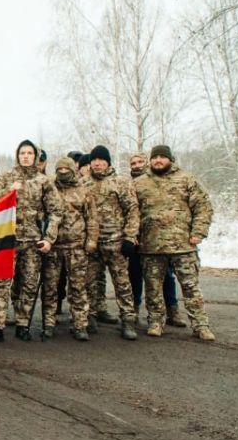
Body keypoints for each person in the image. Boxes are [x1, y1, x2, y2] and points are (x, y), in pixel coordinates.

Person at [0, 140, 62, 343]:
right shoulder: (6, 178)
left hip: (33, 242)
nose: (26, 156)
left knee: (29, 284)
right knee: (0, 283)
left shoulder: (44, 181)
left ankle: (23, 324)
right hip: (7, 240)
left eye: (30, 153)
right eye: (22, 153)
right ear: (17, 156)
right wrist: (8, 191)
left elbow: (56, 211)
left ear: (35, 157)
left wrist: (49, 239)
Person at [133, 145, 215, 341]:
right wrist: (133, 234)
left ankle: (201, 325)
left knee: (191, 287)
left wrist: (198, 233)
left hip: (183, 246)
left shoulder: (186, 180)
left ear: (170, 159)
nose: (158, 160)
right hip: (151, 247)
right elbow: (131, 212)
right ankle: (155, 321)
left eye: (162, 157)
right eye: (155, 157)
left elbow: (203, 207)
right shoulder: (140, 183)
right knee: (153, 288)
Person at [84, 145, 139, 340]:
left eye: (101, 159)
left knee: (122, 284)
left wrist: (129, 238)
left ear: (108, 162)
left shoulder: (120, 183)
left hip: (115, 243)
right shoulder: (83, 183)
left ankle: (128, 320)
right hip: (92, 244)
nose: (97, 163)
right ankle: (89, 317)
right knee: (89, 283)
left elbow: (132, 211)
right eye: (94, 160)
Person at [127, 151, 183, 326]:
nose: (136, 166)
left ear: (147, 163)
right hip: (138, 238)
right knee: (134, 274)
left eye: (140, 162)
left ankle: (172, 311)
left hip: (158, 239)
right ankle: (134, 309)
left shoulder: (159, 182)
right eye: (133, 163)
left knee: (166, 276)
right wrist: (131, 234)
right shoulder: (129, 185)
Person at [45, 157, 97, 341]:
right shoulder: (50, 188)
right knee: (50, 287)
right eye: (59, 169)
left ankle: (80, 324)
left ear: (72, 170)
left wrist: (91, 241)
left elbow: (91, 218)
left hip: (76, 247)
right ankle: (48, 323)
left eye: (66, 169)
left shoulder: (83, 191)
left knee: (78, 287)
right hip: (53, 247)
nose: (62, 172)